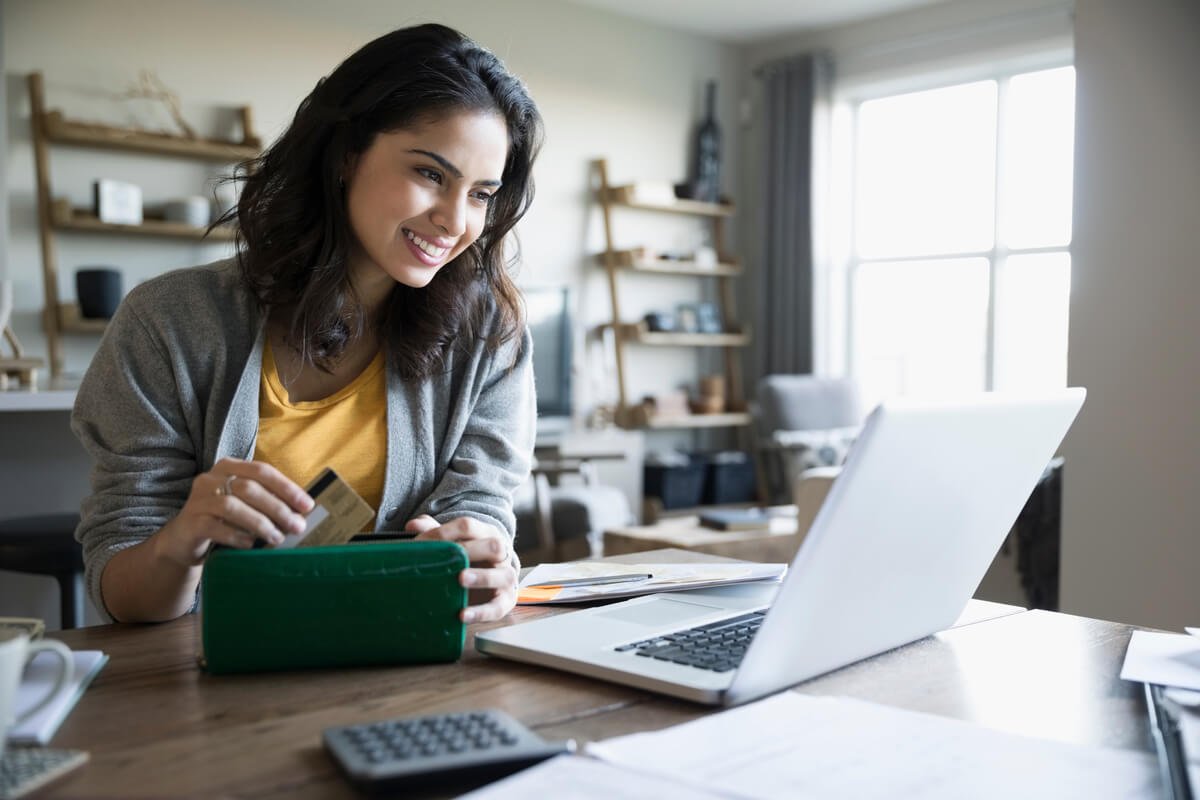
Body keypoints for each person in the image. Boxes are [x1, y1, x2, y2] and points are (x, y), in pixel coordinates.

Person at [71, 23, 544, 626]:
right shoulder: (168, 322)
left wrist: (485, 564)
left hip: (405, 660)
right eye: (430, 174)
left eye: (481, 194)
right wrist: (180, 539)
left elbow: (480, 517)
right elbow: (123, 593)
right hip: (215, 669)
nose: (454, 219)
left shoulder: (489, 338)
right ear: (347, 154)